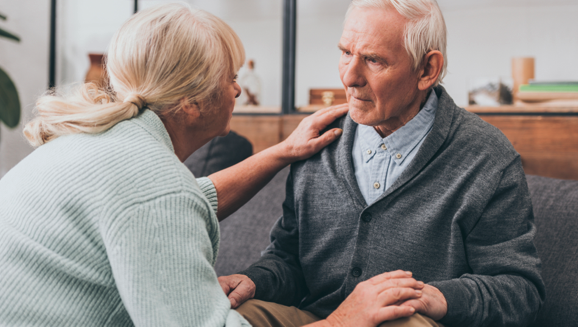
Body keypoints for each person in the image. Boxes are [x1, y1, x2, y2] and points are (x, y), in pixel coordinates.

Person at [0, 4, 354, 327]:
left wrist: (282, 151)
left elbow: (191, 198)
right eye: (230, 77)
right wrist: (346, 321)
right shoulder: (155, 188)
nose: (238, 91)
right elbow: (164, 202)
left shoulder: (94, 145)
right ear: (192, 103)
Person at [219, 1, 545, 327]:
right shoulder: (317, 140)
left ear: (427, 70)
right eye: (346, 52)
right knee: (229, 315)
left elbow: (519, 291)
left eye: (373, 60)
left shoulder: (486, 157)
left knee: (405, 322)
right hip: (319, 319)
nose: (349, 77)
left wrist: (437, 297)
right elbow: (289, 259)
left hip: (407, 321)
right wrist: (256, 280)